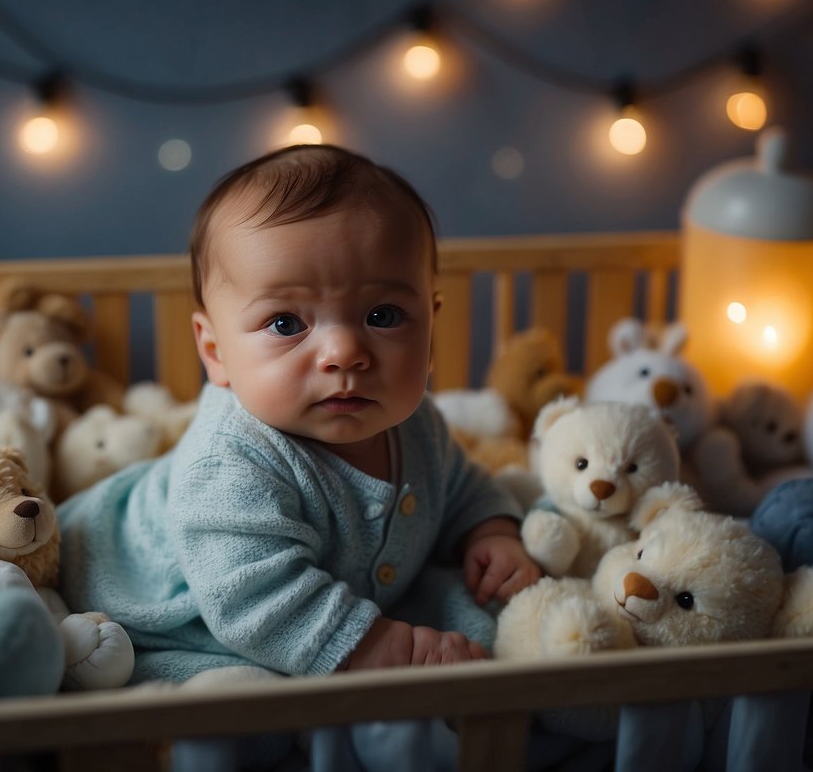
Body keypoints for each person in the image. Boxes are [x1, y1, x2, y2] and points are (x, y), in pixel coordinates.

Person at [58, 144, 540, 765]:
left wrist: (491, 530)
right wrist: (386, 651)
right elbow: (256, 600)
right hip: (163, 619)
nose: (343, 350)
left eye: (383, 314)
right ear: (215, 351)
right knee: (233, 716)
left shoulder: (415, 422)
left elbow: (460, 483)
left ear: (431, 322)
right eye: (286, 323)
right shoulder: (232, 464)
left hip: (273, 619)